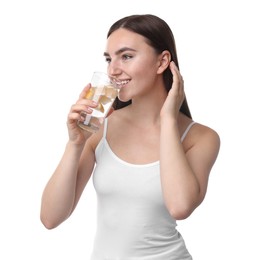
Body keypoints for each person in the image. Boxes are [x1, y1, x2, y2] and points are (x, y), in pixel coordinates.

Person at [40, 14, 220, 260]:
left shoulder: (201, 137)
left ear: (162, 62)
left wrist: (168, 119)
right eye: (108, 58)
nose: (113, 70)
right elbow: (50, 218)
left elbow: (180, 207)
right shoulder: (101, 128)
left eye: (126, 56)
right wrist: (75, 144)